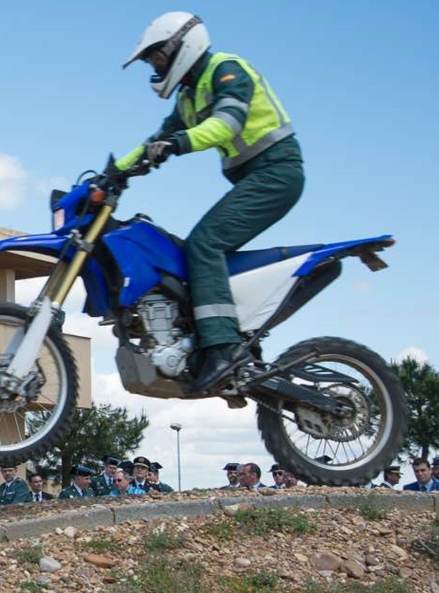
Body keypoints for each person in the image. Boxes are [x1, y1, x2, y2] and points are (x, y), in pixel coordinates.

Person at [118, 12, 304, 397]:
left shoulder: (226, 70)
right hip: (255, 178)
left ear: (181, 45)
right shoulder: (189, 96)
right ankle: (219, 339)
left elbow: (227, 124)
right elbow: (156, 139)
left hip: (277, 173)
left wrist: (177, 144)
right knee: (187, 255)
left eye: (157, 56)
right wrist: (111, 174)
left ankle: (222, 348)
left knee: (205, 244)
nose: (155, 65)